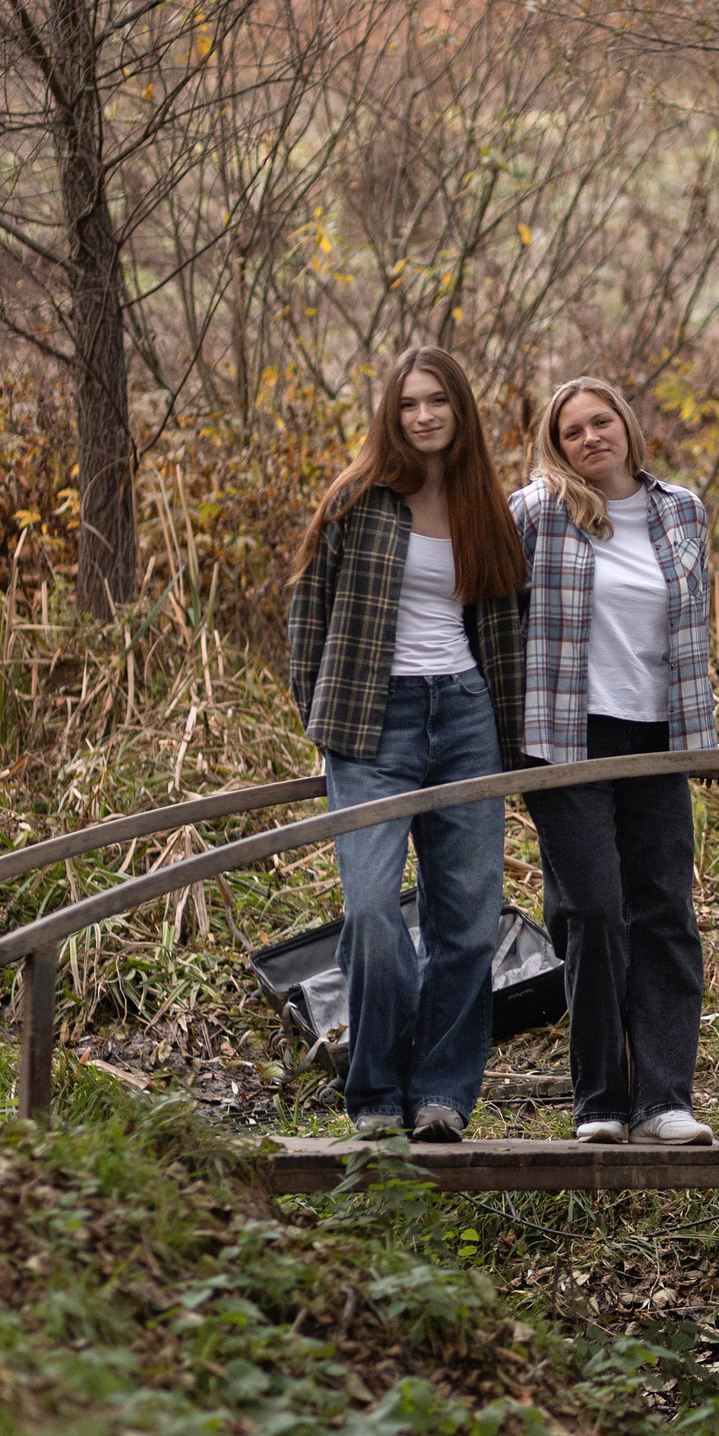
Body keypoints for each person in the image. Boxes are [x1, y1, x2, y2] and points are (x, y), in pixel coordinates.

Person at [287, 344, 527, 1143]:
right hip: (373, 725)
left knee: (467, 921)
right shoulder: (359, 500)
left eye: (437, 402)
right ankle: (375, 1091)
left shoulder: (482, 505)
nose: (424, 416)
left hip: (464, 718)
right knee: (371, 916)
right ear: (391, 417)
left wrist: (512, 732)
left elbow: (504, 627)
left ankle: (443, 1096)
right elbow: (306, 614)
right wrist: (324, 721)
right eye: (409, 405)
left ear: (460, 411)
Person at [512, 376, 717, 1146]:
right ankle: (599, 1099)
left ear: (627, 426)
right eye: (573, 431)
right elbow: (494, 614)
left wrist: (703, 740)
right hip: (566, 736)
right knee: (594, 910)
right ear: (556, 445)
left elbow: (692, 639)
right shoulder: (536, 511)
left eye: (602, 422)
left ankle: (665, 1098)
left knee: (665, 909)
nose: (591, 437)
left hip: (656, 737)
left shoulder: (682, 510)